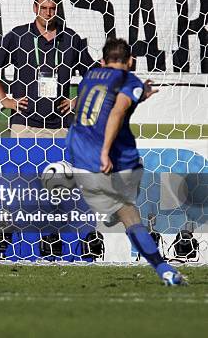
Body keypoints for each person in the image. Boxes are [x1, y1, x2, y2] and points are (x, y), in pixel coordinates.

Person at [68, 38, 185, 286]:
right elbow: (118, 110)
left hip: (79, 159)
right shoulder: (127, 80)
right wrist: (105, 152)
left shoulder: (90, 75)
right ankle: (163, 269)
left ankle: (110, 211)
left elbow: (82, 104)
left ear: (103, 61)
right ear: (130, 61)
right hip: (108, 162)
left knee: (120, 205)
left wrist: (140, 94)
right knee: (131, 212)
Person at [0, 0, 96, 138]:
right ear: (35, 8)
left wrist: (77, 101)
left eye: (52, 8)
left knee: (60, 163)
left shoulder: (70, 38)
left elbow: (95, 75)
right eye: (43, 8)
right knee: (21, 162)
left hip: (60, 125)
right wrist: (5, 100)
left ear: (57, 10)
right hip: (24, 123)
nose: (48, 13)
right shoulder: (19, 35)